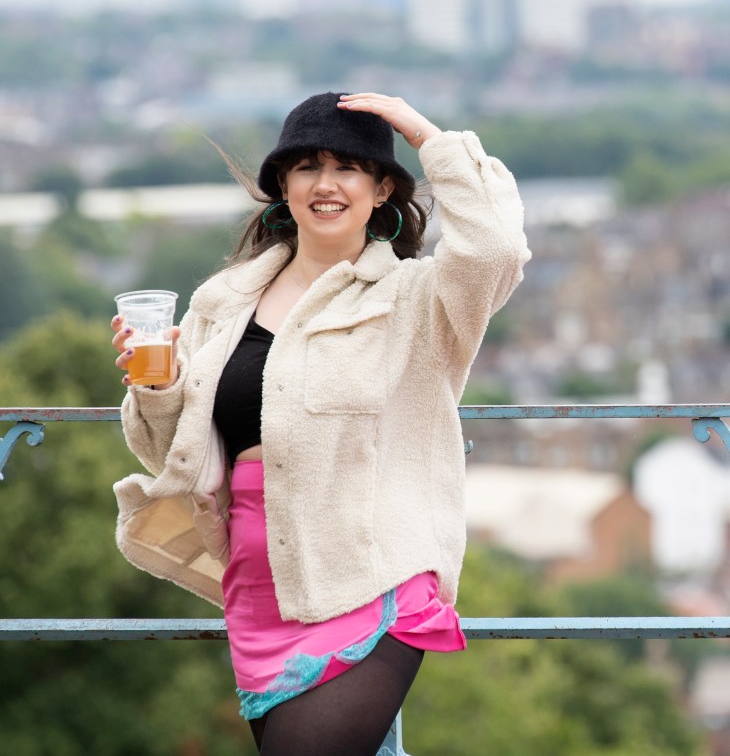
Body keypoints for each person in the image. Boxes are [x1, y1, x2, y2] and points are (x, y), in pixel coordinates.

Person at [112, 91, 531, 756]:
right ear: (283, 184)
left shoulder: (415, 300)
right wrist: (157, 386)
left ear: (382, 187)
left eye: (349, 166)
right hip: (259, 592)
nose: (326, 183)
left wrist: (423, 133)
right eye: (306, 165)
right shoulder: (221, 304)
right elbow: (174, 453)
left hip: (373, 578)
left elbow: (496, 250)